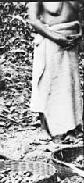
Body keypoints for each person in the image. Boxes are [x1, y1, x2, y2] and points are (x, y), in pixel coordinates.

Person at [28, 1, 83, 142]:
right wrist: (56, 37)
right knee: (46, 83)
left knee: (69, 84)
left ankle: (71, 127)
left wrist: (80, 34)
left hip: (71, 40)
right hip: (50, 39)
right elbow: (33, 20)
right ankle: (44, 128)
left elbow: (79, 14)